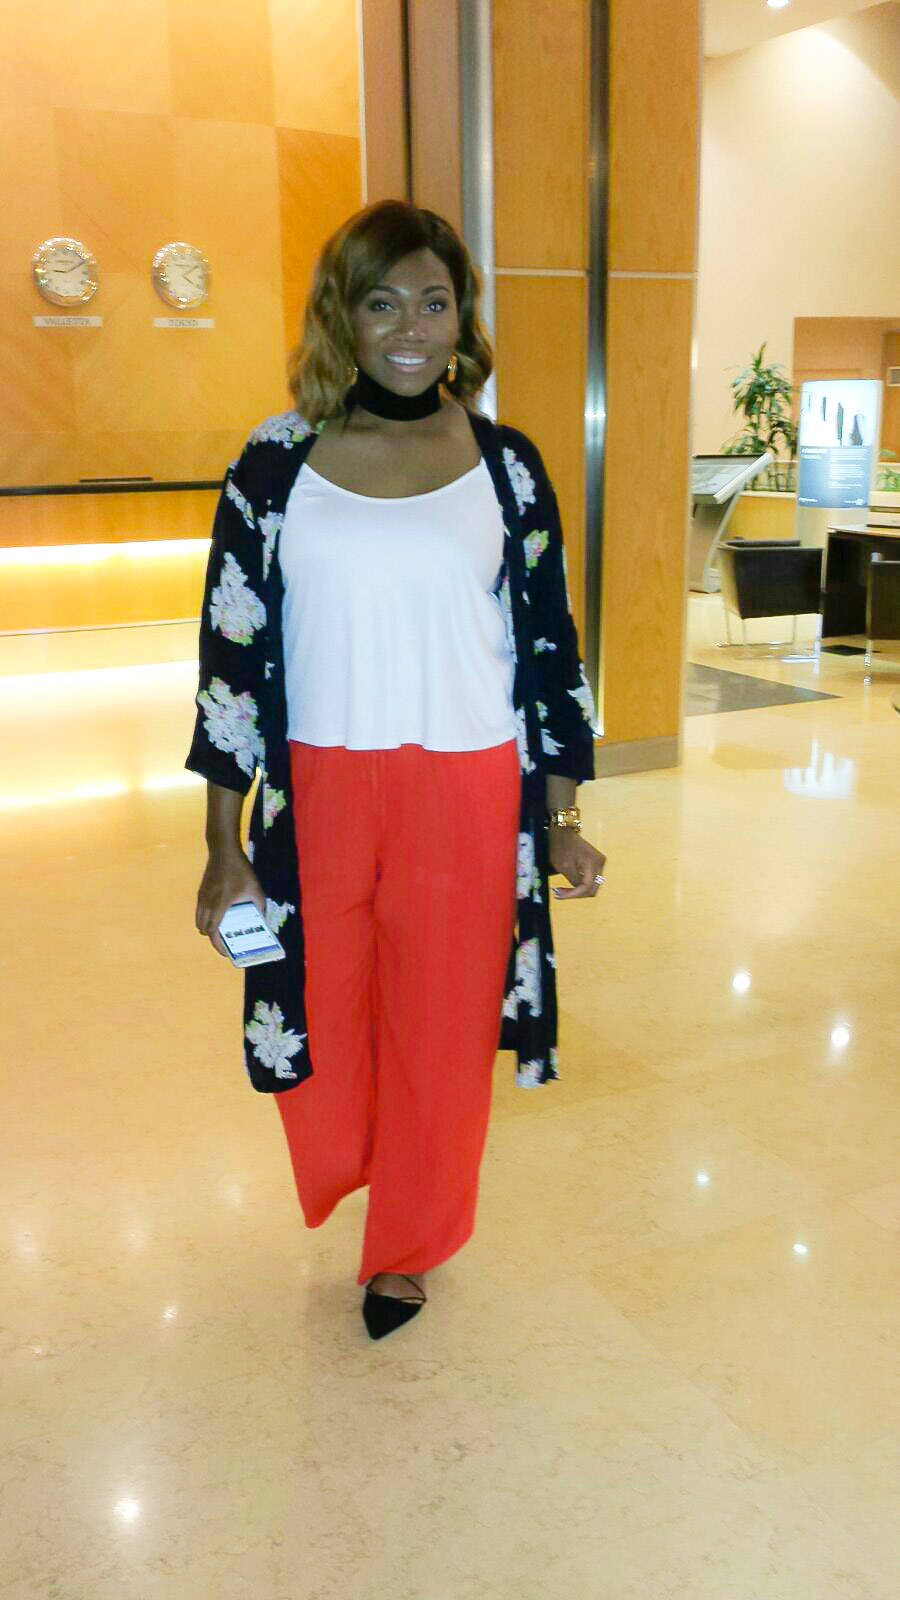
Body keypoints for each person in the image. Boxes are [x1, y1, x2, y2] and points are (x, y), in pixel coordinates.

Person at [187, 200, 605, 1340]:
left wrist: (559, 817)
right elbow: (230, 654)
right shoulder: (275, 463)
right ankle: (355, 1167)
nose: (411, 327)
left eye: (434, 301)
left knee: (440, 1031)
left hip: (467, 786)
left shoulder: (506, 467)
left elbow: (551, 648)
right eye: (383, 301)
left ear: (462, 317)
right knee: (314, 1017)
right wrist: (222, 844)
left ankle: (408, 1245)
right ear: (344, 315)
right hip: (316, 788)